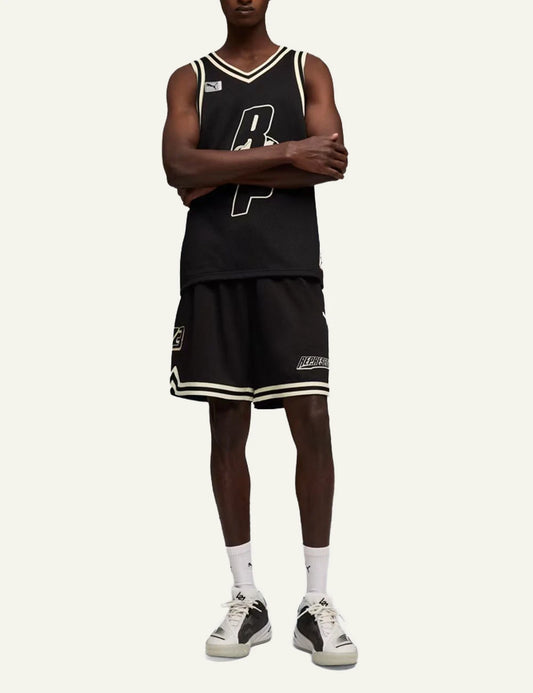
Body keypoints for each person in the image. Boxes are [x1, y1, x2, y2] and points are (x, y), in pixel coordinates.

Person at [162, 0, 357, 667]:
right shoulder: (189, 77)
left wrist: (214, 170)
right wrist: (288, 153)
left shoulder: (307, 69)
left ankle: (316, 602)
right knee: (226, 426)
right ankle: (246, 596)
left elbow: (331, 163)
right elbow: (176, 168)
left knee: (312, 419)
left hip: (289, 266)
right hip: (214, 267)